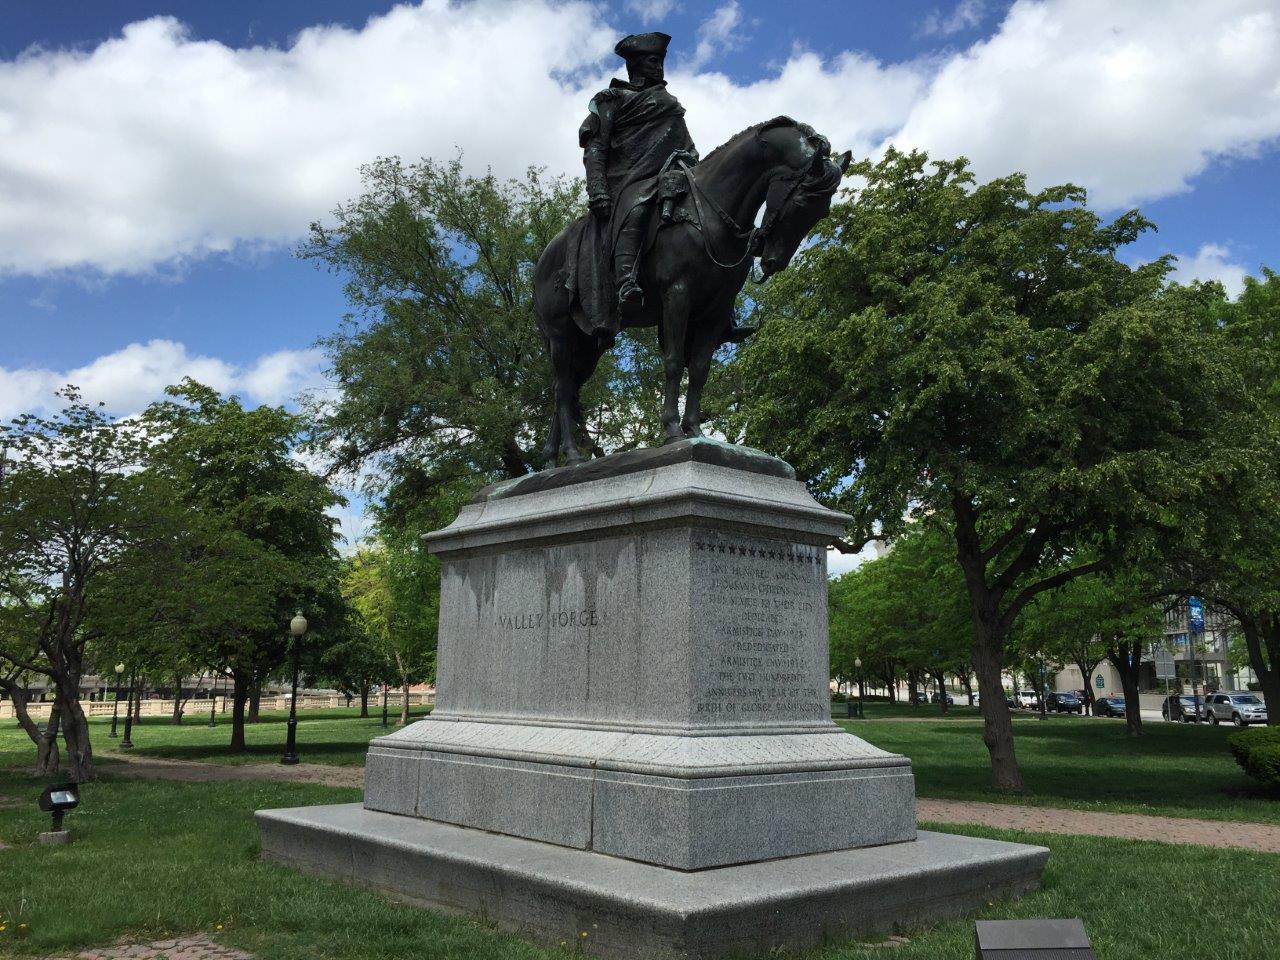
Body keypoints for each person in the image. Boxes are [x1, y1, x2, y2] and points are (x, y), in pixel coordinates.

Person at [579, 32, 752, 345]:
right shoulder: (610, 100)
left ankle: (723, 310)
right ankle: (625, 282)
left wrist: (691, 165)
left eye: (660, 62)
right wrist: (598, 188)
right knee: (638, 204)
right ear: (635, 65)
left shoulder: (669, 105)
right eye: (652, 61)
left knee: (710, 218)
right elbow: (596, 147)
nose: (659, 68)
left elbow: (688, 146)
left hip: (673, 175)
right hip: (628, 180)